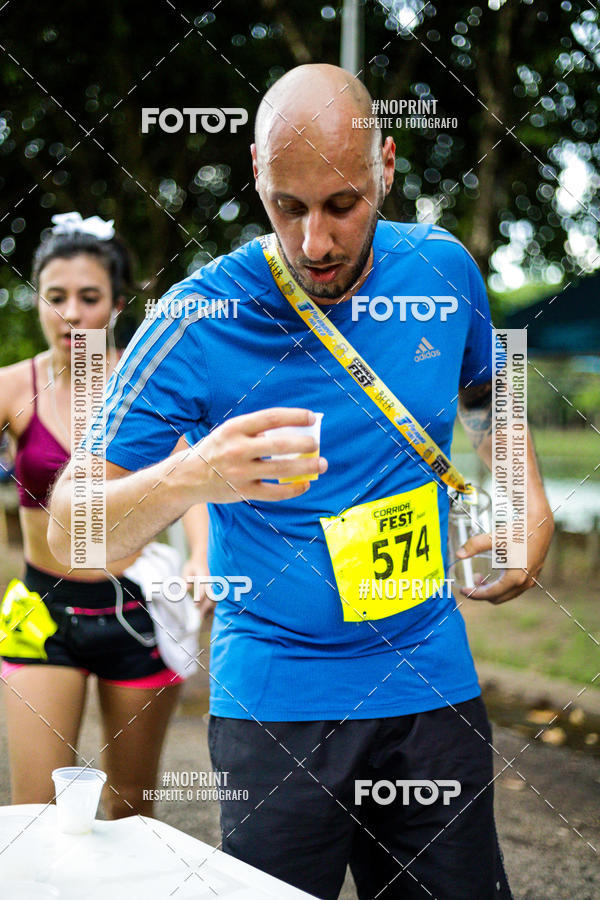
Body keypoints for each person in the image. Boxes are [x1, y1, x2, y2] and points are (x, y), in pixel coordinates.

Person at [49, 66, 554, 898]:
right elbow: (72, 530)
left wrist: (522, 494)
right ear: (255, 172)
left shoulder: (441, 269)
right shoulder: (195, 318)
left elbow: (488, 381)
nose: (315, 242)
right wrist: (194, 472)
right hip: (277, 704)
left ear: (386, 165)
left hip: (430, 678)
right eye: (288, 206)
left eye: (343, 205)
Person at [0, 213, 206, 819]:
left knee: (132, 812)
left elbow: (188, 477)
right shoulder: (12, 387)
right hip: (42, 612)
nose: (70, 314)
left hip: (137, 613)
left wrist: (199, 558)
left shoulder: (149, 387)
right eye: (55, 297)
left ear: (117, 303)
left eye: (88, 298)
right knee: (31, 816)